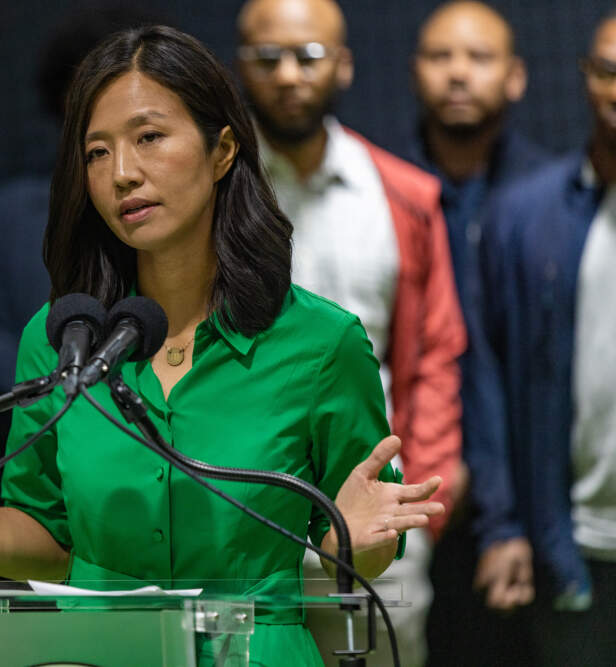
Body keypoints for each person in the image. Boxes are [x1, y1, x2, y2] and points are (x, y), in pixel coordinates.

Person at [0, 25, 445, 666]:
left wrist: (360, 540)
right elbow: (50, 541)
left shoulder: (321, 343)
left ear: (222, 151)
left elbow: (358, 544)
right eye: (97, 152)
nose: (122, 174)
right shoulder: (61, 342)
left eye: (149, 138)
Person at [234, 0, 466, 664]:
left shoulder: (403, 195)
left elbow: (436, 356)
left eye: (308, 56)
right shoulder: (213, 192)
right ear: (240, 67)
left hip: (378, 520)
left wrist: (420, 498)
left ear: (343, 65)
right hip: (242, 523)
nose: (288, 75)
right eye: (267, 57)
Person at [402, 3, 551, 663]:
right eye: (441, 57)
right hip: (407, 490)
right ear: (415, 72)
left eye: (479, 57)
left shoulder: (554, 196)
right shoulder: (383, 189)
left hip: (532, 501)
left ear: (516, 76)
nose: (458, 73)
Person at [466, 13, 616, 666]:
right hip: (569, 547)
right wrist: (501, 524)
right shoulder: (523, 215)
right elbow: (486, 380)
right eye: (609, 70)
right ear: (586, 78)